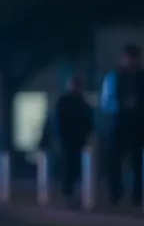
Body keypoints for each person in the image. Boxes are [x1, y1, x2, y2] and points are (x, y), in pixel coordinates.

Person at [101, 44, 144, 205]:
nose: (131, 61)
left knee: (138, 162)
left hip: (138, 125)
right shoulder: (114, 76)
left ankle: (137, 195)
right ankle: (115, 193)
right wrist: (119, 108)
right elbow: (107, 101)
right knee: (115, 161)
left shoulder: (141, 78)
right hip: (119, 123)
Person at [54, 77, 94, 202]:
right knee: (68, 167)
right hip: (68, 140)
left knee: (77, 168)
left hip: (79, 140)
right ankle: (68, 193)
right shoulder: (65, 102)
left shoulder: (83, 104)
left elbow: (89, 122)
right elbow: (59, 121)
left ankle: (76, 193)